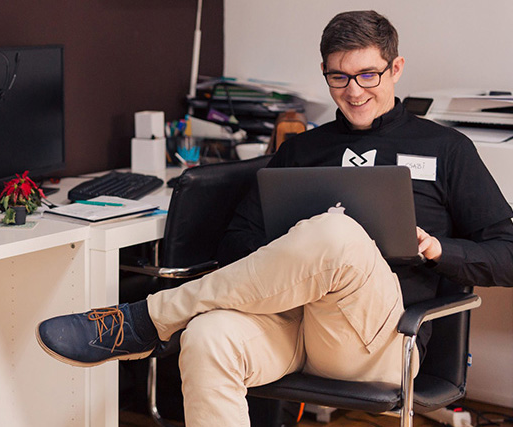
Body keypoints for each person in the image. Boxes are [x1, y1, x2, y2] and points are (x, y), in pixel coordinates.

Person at [36, 10, 513, 426]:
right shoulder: (301, 149)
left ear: (396, 69)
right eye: (339, 78)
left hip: (378, 342)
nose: (354, 91)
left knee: (337, 231)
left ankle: (148, 319)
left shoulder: (447, 149)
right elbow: (236, 244)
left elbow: (507, 255)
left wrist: (436, 250)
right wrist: (291, 250)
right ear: (324, 74)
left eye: (368, 75)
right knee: (207, 336)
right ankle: (164, 321)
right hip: (288, 325)